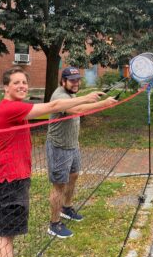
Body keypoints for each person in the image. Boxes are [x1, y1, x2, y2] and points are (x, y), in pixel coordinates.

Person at [0, 66, 115, 257]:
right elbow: (53, 106)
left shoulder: (15, 107)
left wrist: (86, 99)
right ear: (5, 87)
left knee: (6, 231)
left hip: (14, 177)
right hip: (9, 179)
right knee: (4, 235)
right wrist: (87, 98)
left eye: (24, 82)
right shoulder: (10, 108)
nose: (22, 86)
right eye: (16, 83)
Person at [46, 67, 117, 239]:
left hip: (72, 145)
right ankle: (54, 224)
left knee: (74, 175)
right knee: (59, 185)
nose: (76, 82)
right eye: (72, 80)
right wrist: (103, 103)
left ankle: (66, 208)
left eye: (78, 79)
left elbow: (80, 103)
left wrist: (92, 95)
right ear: (63, 82)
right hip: (59, 147)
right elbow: (77, 111)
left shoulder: (71, 93)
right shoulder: (59, 96)